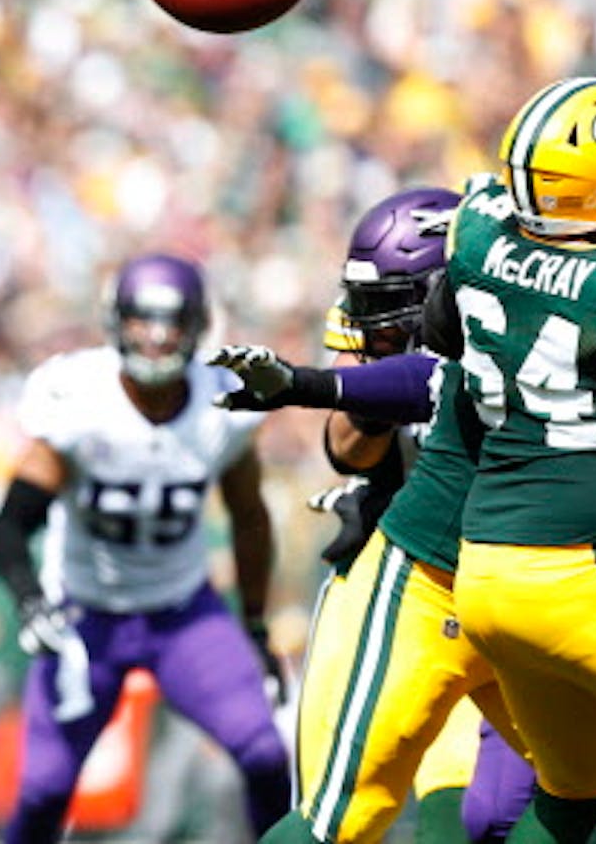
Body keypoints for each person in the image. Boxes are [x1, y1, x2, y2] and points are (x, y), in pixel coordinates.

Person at [215, 187, 537, 843]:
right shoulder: (405, 356)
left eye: (392, 315)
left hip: (520, 584)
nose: (375, 331)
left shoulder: (530, 334)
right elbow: (347, 445)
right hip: (426, 584)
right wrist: (367, 386)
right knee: (370, 814)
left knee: (504, 814)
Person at [0, 253, 291, 843]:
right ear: (115, 322)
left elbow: (250, 519)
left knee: (263, 751)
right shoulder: (78, 395)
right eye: (142, 321)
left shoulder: (222, 404)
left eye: (172, 322)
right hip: (84, 614)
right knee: (44, 789)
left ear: (198, 326)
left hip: (182, 613)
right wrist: (29, 600)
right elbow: (11, 524)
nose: (156, 338)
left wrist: (254, 624)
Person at [427, 76, 596, 843]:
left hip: (485, 573)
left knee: (571, 795)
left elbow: (440, 330)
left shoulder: (474, 233)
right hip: (573, 573)